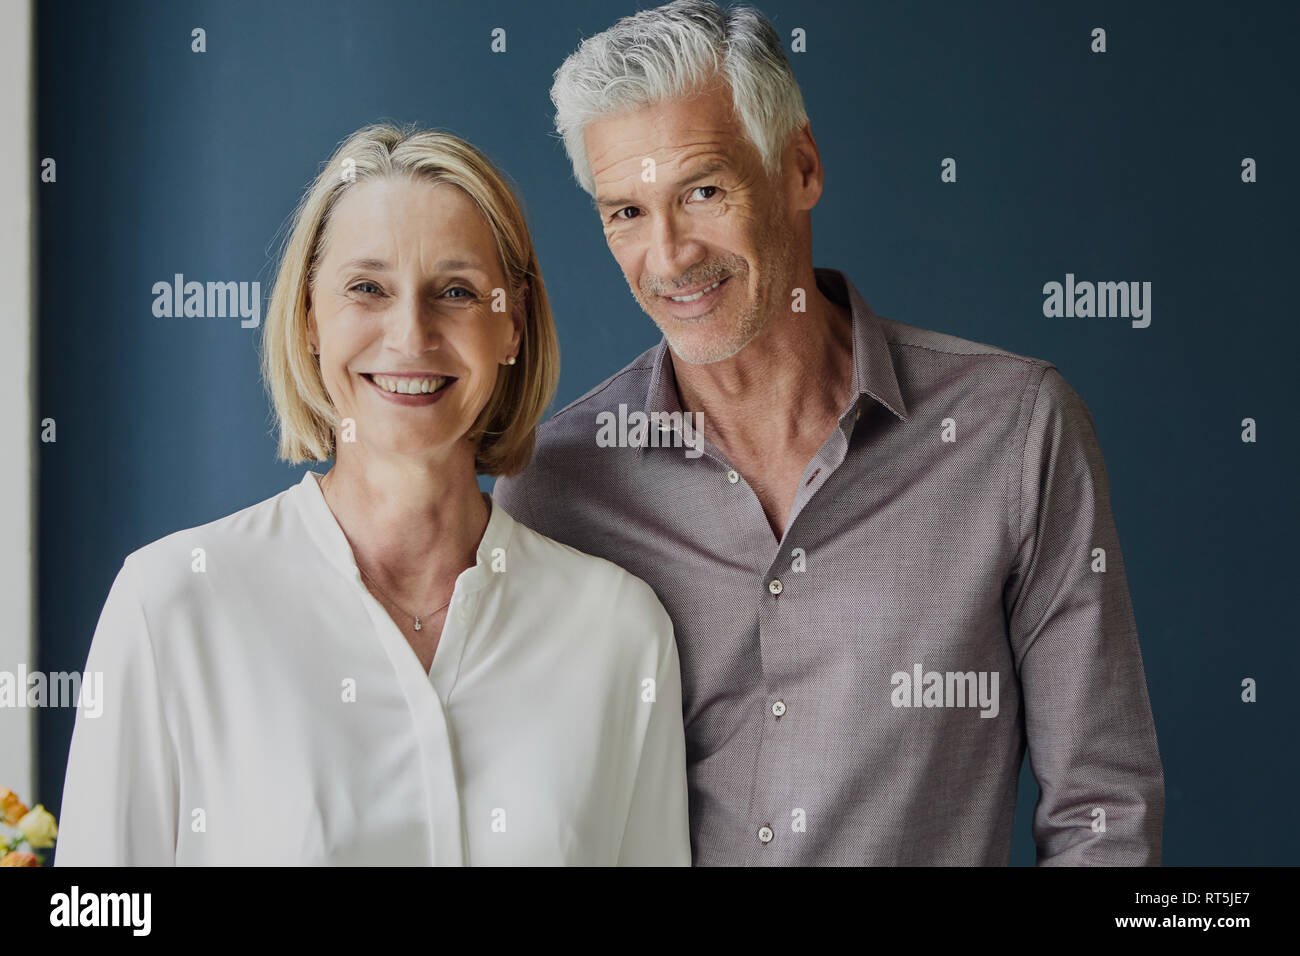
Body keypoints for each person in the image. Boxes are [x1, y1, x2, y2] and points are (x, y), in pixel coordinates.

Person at [494, 0, 1164, 865]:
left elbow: (1103, 815)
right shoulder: (554, 489)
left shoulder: (1014, 430)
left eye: (703, 191)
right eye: (626, 212)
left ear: (800, 168)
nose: (668, 258)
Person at [55, 123, 690, 866]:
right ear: (309, 319)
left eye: (455, 291)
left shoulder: (619, 630)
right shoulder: (170, 605)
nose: (410, 334)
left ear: (511, 324)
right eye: (367, 288)